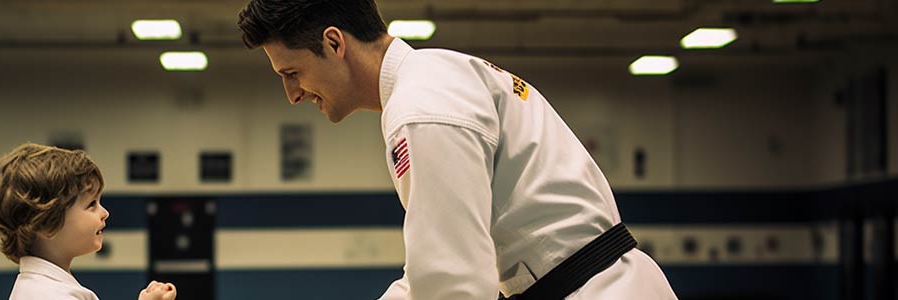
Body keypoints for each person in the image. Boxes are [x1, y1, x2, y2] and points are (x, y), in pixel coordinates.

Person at [237, 1, 678, 299]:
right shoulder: (437, 75)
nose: (292, 94)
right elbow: (433, 273)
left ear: (335, 43)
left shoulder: (421, 107)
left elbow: (454, 285)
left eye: (292, 73)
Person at [0, 143, 177, 300]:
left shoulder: (44, 287)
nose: (105, 213)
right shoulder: (50, 295)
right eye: (91, 204)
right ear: (45, 224)